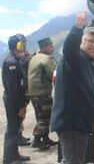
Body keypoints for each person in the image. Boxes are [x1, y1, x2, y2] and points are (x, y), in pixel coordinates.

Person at [50, 12, 94, 164]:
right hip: (72, 122)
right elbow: (69, 49)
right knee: (72, 161)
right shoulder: (75, 57)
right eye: (90, 41)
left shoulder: (88, 62)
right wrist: (77, 28)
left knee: (76, 159)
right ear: (81, 41)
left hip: (80, 123)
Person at [2, 34, 31, 164]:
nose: (24, 47)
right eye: (22, 44)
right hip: (13, 102)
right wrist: (21, 106)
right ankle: (8, 158)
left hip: (15, 100)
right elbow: (14, 89)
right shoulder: (11, 62)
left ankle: (15, 154)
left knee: (15, 128)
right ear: (17, 46)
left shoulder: (15, 59)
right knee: (12, 129)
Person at [26, 37, 57, 150]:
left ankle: (45, 138)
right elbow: (53, 74)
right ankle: (37, 140)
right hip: (43, 93)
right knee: (45, 117)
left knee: (40, 116)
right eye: (51, 46)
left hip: (34, 94)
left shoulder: (34, 58)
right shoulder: (46, 59)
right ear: (45, 47)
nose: (52, 48)